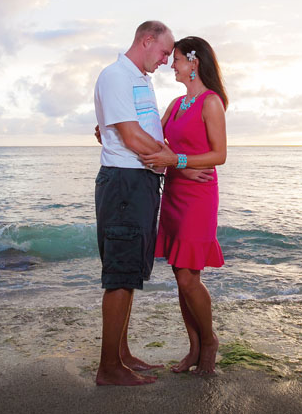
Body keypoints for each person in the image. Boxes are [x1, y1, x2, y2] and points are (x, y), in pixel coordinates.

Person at [93, 20, 176, 386]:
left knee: (130, 271)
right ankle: (108, 368)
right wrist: (173, 158)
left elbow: (135, 130)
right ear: (146, 41)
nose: (166, 61)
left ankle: (121, 355)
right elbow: (129, 135)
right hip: (125, 183)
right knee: (120, 274)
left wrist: (162, 158)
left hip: (139, 182)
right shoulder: (116, 76)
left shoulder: (140, 79)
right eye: (164, 52)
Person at [141, 36, 228, 375]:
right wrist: (113, 129)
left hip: (199, 199)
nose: (171, 65)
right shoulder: (176, 105)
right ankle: (193, 348)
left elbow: (219, 155)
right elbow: (154, 142)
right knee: (181, 276)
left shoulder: (211, 102)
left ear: (194, 62)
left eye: (176, 59)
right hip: (175, 193)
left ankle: (209, 342)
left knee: (191, 279)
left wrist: (178, 161)